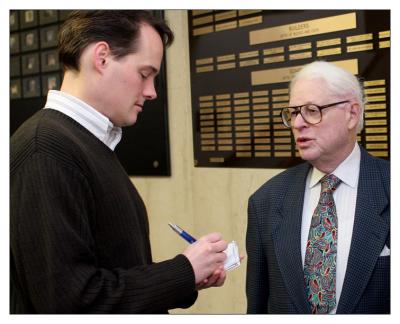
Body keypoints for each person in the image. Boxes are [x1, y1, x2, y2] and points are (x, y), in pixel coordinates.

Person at [10, 10, 228, 314]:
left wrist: (186, 278)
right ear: (102, 58)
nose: (152, 92)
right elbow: (71, 303)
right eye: (144, 74)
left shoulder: (85, 142)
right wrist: (182, 271)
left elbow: (116, 268)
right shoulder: (45, 149)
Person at [246, 61, 390, 314]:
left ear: (352, 114)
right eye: (293, 113)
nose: (298, 123)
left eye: (312, 110)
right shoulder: (266, 201)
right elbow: (257, 307)